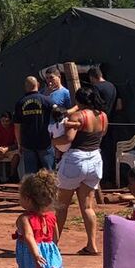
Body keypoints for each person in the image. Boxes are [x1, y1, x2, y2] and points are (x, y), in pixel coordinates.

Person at [54, 85, 108, 256]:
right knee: (87, 206)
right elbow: (102, 134)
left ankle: (53, 244)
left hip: (76, 160)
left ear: (78, 100)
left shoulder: (78, 116)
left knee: (61, 205)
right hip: (94, 159)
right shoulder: (103, 116)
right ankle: (92, 245)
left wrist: (51, 141)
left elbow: (67, 138)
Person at [14, 76, 56, 175]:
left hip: (27, 143)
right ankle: (51, 189)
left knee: (30, 174)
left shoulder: (20, 103)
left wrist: (19, 143)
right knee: (49, 172)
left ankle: (31, 190)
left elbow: (17, 126)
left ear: (25, 87)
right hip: (44, 142)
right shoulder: (46, 100)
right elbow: (59, 114)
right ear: (38, 85)